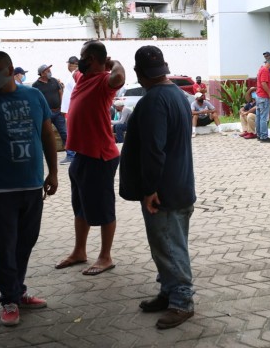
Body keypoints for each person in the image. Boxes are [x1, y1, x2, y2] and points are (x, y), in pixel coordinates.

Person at [0, 51, 58, 326]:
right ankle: (8, 298)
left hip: (32, 185)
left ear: (9, 70)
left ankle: (18, 290)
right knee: (4, 245)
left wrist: (53, 172)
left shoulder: (33, 96)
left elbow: (46, 134)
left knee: (26, 241)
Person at [120, 45, 196, 330]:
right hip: (179, 184)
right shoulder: (177, 94)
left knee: (169, 247)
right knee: (168, 245)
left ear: (139, 73)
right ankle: (168, 292)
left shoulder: (153, 101)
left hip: (164, 190)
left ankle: (182, 301)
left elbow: (154, 149)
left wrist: (150, 188)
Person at [55, 41, 125, 277]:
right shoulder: (83, 78)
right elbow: (72, 70)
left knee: (104, 208)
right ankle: (79, 252)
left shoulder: (104, 80)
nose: (79, 61)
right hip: (82, 155)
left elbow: (119, 77)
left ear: (94, 58)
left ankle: (106, 257)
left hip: (100, 155)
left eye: (84, 56)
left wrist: (112, 62)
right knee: (80, 207)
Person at [32, 64, 72, 165]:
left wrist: (63, 108)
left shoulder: (54, 81)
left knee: (64, 133)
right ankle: (44, 157)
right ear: (42, 73)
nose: (50, 72)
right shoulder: (36, 85)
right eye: (47, 70)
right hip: (46, 114)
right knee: (46, 135)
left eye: (50, 70)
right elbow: (36, 100)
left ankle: (71, 155)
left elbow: (60, 93)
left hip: (58, 112)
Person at [60, 56, 80, 164]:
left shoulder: (76, 74)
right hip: (69, 109)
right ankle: (72, 154)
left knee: (70, 133)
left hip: (72, 109)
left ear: (72, 64)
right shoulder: (73, 75)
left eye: (69, 64)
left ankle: (71, 154)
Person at [255, 60, 270, 143]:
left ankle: (259, 135)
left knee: (259, 117)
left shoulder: (261, 69)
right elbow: (264, 83)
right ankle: (264, 136)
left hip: (259, 96)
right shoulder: (265, 71)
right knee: (264, 118)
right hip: (263, 97)